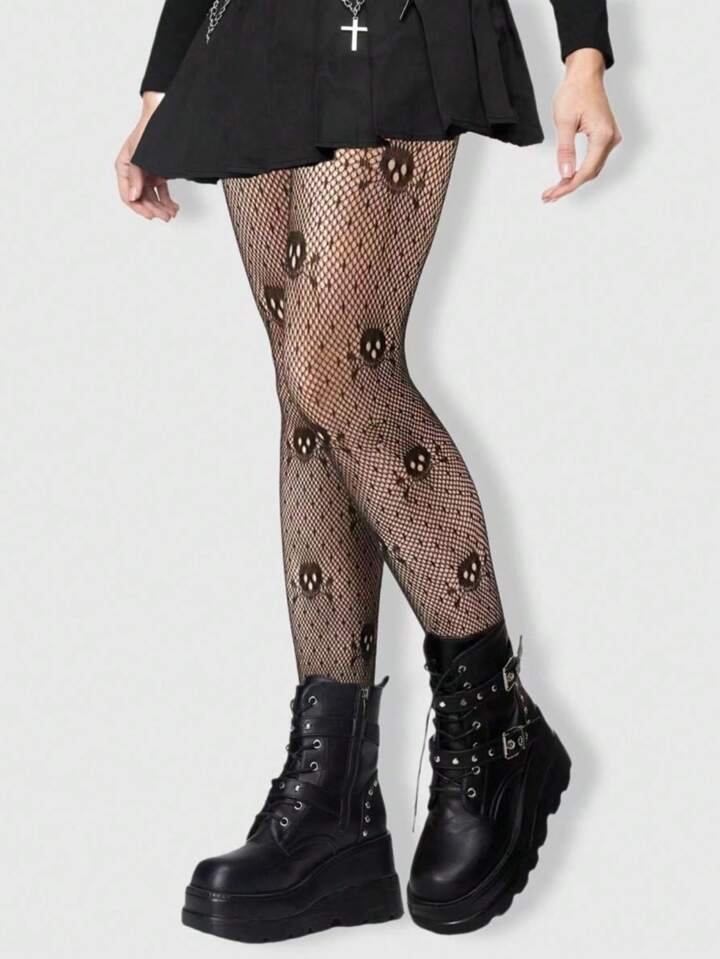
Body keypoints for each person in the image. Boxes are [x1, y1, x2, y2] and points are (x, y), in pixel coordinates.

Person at [116, 0, 621, 942]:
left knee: (336, 366)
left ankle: (497, 726)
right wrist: (161, 82)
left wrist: (584, 49)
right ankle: (333, 803)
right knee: (306, 401)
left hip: (394, 18)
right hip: (257, 29)